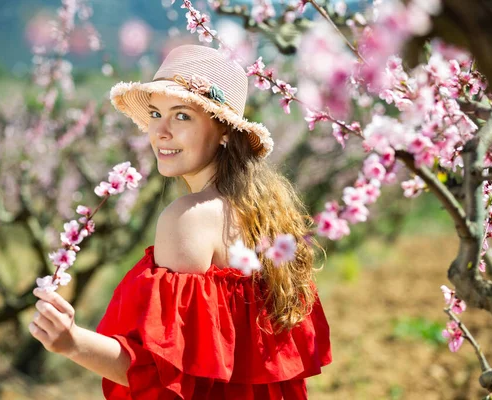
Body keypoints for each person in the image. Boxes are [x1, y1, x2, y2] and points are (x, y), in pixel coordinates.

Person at [30, 44, 331, 399]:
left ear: (224, 132)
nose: (161, 132)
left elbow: (163, 374)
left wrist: (71, 342)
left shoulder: (187, 219)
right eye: (156, 114)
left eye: (182, 116)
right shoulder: (266, 217)